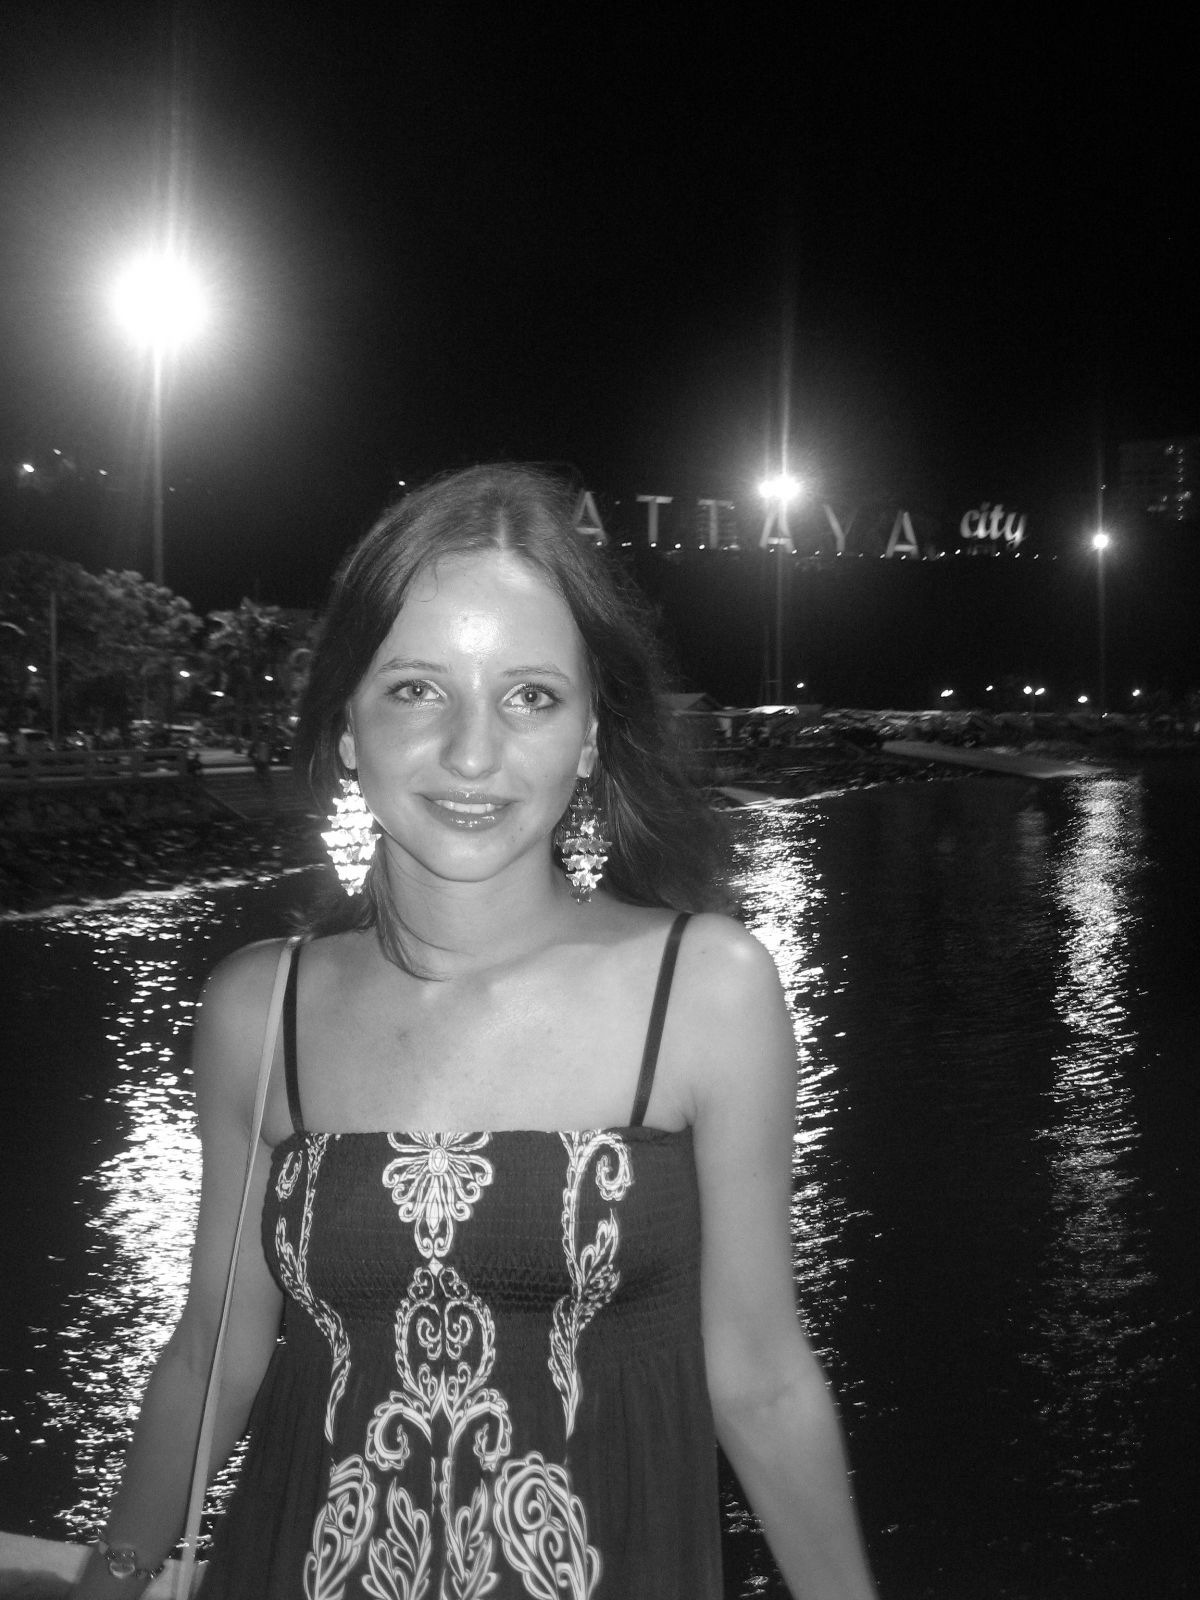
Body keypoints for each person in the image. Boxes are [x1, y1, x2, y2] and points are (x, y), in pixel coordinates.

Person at [75, 465, 879, 1599]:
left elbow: (761, 1376)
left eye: (531, 696)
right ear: (346, 725)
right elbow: (216, 1346)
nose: (470, 753)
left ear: (592, 735)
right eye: (415, 688)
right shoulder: (262, 1008)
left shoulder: (703, 991)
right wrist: (112, 1579)